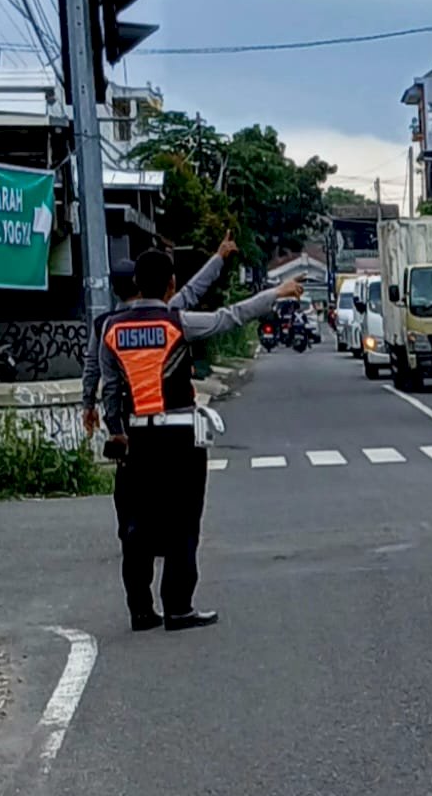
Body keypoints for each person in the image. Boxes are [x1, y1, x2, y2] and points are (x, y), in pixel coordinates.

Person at [100, 247, 303, 632]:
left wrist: (117, 432)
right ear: (170, 284)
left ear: (136, 284)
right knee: (182, 521)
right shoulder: (177, 322)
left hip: (137, 438)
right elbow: (231, 317)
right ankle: (178, 607)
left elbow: (111, 392)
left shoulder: (112, 330)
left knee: (136, 527)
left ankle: (140, 610)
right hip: (179, 435)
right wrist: (275, 294)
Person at [81, 237, 237, 540]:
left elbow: (94, 370)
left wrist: (90, 406)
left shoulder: (106, 324)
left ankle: (133, 531)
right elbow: (193, 293)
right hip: (170, 425)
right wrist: (218, 258)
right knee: (179, 494)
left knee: (129, 486)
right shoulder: (165, 314)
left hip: (130, 425)